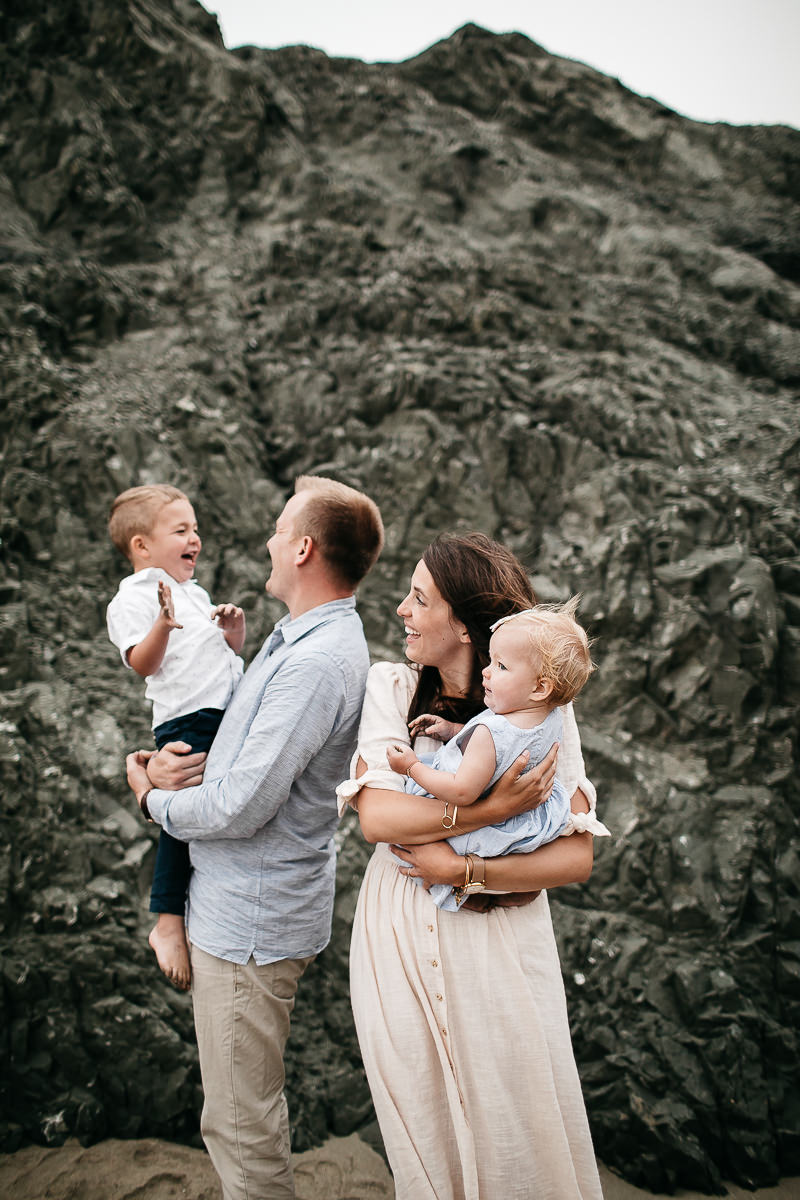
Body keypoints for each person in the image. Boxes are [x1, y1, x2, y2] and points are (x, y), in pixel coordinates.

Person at [124, 476, 384, 1200]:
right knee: (240, 1117)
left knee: (241, 1128)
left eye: (278, 529)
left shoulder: (315, 660)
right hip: (241, 908)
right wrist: (167, 765)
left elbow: (241, 804)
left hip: (249, 925)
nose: (267, 540)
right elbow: (238, 747)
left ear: (302, 548)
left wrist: (151, 801)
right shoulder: (297, 639)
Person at [338, 531, 605, 1200]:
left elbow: (575, 854)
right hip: (395, 938)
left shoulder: (544, 712)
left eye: (419, 598)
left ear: (463, 625)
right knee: (422, 1133)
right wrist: (490, 812)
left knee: (521, 1130)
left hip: (501, 944)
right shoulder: (392, 686)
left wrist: (461, 870)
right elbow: (378, 819)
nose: (401, 608)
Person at [384, 600, 610, 910]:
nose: (487, 672)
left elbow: (461, 790)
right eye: (491, 661)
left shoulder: (489, 738)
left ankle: (459, 894)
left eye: (501, 666)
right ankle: (503, 891)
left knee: (406, 832)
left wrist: (410, 767)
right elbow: (509, 739)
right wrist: (453, 730)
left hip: (477, 828)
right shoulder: (550, 716)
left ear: (541, 687)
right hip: (526, 828)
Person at [107, 484, 245, 990]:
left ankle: (196, 907)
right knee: (181, 819)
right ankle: (167, 921)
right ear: (143, 546)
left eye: (196, 529)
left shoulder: (197, 594)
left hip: (224, 712)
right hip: (186, 719)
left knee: (208, 814)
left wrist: (233, 633)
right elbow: (143, 662)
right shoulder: (133, 597)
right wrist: (163, 626)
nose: (196, 539)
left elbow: (223, 661)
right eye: (181, 530)